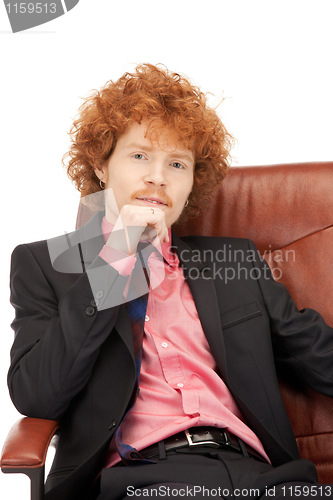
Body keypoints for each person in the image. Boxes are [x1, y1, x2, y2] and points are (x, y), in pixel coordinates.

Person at [8, 64, 333, 500]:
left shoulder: (232, 260)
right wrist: (117, 256)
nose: (158, 177)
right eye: (139, 155)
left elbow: (317, 354)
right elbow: (37, 395)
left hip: (264, 479)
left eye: (176, 163)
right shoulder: (44, 265)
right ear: (101, 167)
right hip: (141, 479)